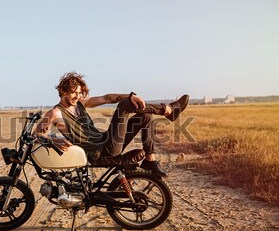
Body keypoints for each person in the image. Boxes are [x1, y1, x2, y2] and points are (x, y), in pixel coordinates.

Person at [34, 71, 189, 176]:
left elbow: (107, 98)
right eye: (74, 92)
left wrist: (130, 95)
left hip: (107, 140)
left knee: (145, 115)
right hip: (100, 151)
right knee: (124, 105)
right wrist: (54, 140)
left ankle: (150, 161)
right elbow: (37, 134)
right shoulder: (56, 113)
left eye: (79, 92)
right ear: (63, 91)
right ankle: (168, 110)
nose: (77, 96)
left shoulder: (80, 104)